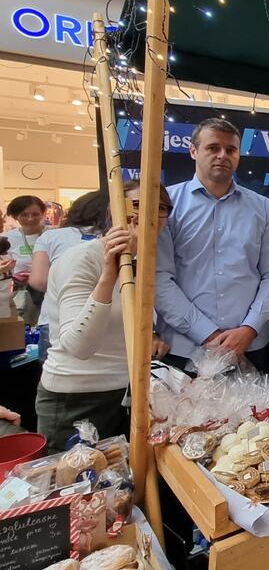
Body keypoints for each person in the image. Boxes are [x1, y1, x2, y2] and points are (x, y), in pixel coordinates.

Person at [37, 181, 171, 452]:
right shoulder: (81, 259)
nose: (149, 214)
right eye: (137, 205)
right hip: (76, 400)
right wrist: (108, 275)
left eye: (160, 207)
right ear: (115, 210)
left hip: (125, 396)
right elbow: (79, 346)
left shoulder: (144, 263)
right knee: (76, 479)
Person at [156, 118, 269, 373]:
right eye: (213, 148)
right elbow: (159, 279)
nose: (223, 155)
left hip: (250, 345)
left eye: (231, 149)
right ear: (193, 151)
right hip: (186, 349)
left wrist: (249, 328)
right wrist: (208, 333)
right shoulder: (166, 205)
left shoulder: (263, 208)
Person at [29, 191, 109, 358]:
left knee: (58, 366)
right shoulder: (112, 237)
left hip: (54, 317)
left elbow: (38, 280)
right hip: (106, 319)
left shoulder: (50, 237)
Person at [3, 195, 47, 325]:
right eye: (24, 215)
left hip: (49, 289)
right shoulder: (6, 239)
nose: (30, 219)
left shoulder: (54, 235)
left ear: (43, 214)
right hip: (21, 292)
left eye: (35, 214)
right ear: (15, 216)